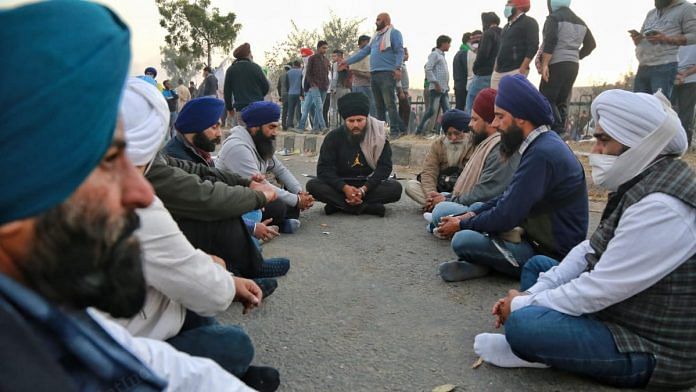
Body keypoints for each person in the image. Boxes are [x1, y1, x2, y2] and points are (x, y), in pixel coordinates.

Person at [0, 2, 258, 390]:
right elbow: (206, 203)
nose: (140, 191)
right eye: (107, 161)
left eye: (129, 158)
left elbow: (126, 351)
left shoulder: (40, 304)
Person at [474, 89, 695, 390]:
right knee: (539, 268)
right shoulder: (645, 180)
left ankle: (538, 346)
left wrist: (524, 307)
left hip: (651, 347)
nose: (596, 151)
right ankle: (547, 340)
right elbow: (590, 248)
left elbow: (599, 289)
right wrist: (531, 297)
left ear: (639, 145)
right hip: (618, 308)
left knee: (525, 326)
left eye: (604, 141)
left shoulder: (662, 207)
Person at [114, 77, 280, 391]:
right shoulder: (130, 199)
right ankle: (250, 271)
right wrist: (218, 273)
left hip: (130, 317)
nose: (219, 132)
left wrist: (257, 188)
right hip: (105, 359)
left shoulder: (149, 164)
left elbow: (205, 174)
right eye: (214, 126)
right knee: (234, 343)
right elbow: (205, 197)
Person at [437, 75, 588, 282]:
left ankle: (489, 264)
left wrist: (461, 225)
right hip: (533, 236)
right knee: (475, 213)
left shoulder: (542, 154)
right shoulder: (542, 144)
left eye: (500, 116)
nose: (495, 124)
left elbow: (506, 214)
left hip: (550, 255)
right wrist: (468, 216)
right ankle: (486, 262)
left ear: (520, 118)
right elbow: (508, 197)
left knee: (463, 240)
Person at [427, 89, 520, 230]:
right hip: (467, 199)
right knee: (437, 197)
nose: (469, 124)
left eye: (475, 119)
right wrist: (437, 196)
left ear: (490, 122)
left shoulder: (499, 149)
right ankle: (441, 216)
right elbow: (429, 170)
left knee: (442, 210)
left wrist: (446, 200)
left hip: (487, 206)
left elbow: (483, 194)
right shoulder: (483, 143)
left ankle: (442, 218)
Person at [218, 101, 314, 233]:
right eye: (272, 127)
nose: (276, 133)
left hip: (253, 195)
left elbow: (280, 170)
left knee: (288, 199)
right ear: (255, 127)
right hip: (232, 200)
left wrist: (298, 192)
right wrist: (297, 201)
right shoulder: (237, 147)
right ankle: (269, 227)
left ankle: (273, 224)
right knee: (278, 206)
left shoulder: (260, 142)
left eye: (276, 128)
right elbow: (261, 185)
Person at [306, 93, 402, 217]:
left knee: (395, 188)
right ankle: (365, 207)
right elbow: (324, 170)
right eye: (351, 121)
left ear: (366, 119)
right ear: (344, 121)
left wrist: (363, 189)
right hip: (341, 185)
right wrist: (345, 188)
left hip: (368, 185)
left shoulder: (377, 136)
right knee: (313, 186)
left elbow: (385, 168)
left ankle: (339, 205)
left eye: (360, 120)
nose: (356, 125)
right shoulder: (333, 137)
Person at [539, 0, 596, 134]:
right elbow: (591, 44)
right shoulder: (580, 21)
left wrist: (545, 63)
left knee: (546, 97)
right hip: (573, 65)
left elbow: (550, 41)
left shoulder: (553, 18)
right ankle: (563, 131)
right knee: (562, 100)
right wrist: (577, 55)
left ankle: (557, 129)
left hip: (556, 63)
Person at [343, 12, 405, 137]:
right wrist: (347, 61)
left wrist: (398, 68)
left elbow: (399, 51)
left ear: (386, 21)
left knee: (390, 104)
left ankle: (395, 131)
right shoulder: (375, 37)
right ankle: (380, 132)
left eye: (378, 20)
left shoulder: (394, 33)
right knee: (379, 106)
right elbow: (364, 52)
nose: (375, 22)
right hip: (374, 74)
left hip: (387, 73)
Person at [405, 109, 474, 208]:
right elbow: (429, 171)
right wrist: (431, 195)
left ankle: (443, 206)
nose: (453, 138)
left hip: (462, 191)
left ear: (466, 131)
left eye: (457, 133)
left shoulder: (474, 145)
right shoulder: (438, 144)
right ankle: (436, 204)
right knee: (411, 186)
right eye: (449, 134)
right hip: (440, 189)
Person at [631, 0, 696, 99]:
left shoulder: (687, 8)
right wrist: (637, 40)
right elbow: (642, 37)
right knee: (639, 106)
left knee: (660, 106)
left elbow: (694, 36)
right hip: (643, 66)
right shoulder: (651, 13)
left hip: (665, 66)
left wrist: (666, 39)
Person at [492, 0, 540, 89]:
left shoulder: (529, 22)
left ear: (518, 5)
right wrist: (495, 68)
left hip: (515, 69)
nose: (506, 5)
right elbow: (500, 49)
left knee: (511, 101)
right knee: (495, 101)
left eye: (509, 3)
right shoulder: (506, 27)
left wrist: (522, 69)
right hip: (498, 72)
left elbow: (533, 46)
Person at [224, 42, 271, 122]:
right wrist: (258, 96)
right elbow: (266, 86)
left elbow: (227, 91)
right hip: (257, 107)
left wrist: (229, 108)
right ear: (248, 54)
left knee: (243, 132)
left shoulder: (231, 70)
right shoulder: (256, 67)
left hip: (241, 108)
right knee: (256, 132)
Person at [466, 12, 502, 114]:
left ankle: (470, 127)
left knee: (471, 102)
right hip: (497, 73)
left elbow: (483, 54)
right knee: (490, 103)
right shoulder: (504, 33)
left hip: (483, 73)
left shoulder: (488, 33)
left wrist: (475, 67)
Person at [417, 35, 453, 135]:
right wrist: (436, 83)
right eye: (448, 43)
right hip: (436, 89)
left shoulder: (441, 56)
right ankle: (420, 131)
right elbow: (428, 69)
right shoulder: (435, 54)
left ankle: (447, 132)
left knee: (447, 111)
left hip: (443, 89)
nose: (449, 46)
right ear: (443, 43)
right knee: (432, 111)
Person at [298, 40, 331, 133]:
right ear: (318, 48)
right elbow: (308, 74)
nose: (325, 50)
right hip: (314, 86)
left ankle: (315, 128)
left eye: (326, 48)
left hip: (324, 86)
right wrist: (312, 84)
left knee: (318, 108)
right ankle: (323, 127)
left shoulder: (326, 60)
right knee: (319, 107)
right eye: (323, 48)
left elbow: (327, 73)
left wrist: (327, 83)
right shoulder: (312, 59)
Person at [673, 39, 696, 147]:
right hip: (671, 77)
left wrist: (685, 74)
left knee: (686, 114)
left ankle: (685, 143)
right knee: (668, 111)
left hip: (691, 79)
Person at [350, 35, 377, 116]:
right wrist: (367, 75)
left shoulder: (370, 54)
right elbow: (353, 70)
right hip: (359, 86)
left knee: (372, 107)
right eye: (368, 42)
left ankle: (372, 126)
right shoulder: (356, 54)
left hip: (369, 85)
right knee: (361, 108)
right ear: (362, 42)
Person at [329, 49, 352, 128]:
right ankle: (344, 126)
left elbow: (335, 77)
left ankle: (333, 127)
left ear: (340, 56)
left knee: (334, 108)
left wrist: (332, 89)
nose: (333, 58)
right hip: (348, 89)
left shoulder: (336, 64)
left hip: (339, 88)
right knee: (345, 108)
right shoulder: (348, 63)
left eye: (334, 56)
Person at [453, 33, 473, 111]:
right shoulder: (466, 53)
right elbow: (469, 69)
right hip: (464, 86)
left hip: (458, 85)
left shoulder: (458, 53)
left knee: (459, 108)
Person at [397, 47, 411, 132]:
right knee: (407, 109)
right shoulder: (400, 65)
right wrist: (401, 91)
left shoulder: (403, 64)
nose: (407, 55)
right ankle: (403, 128)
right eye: (406, 53)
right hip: (401, 91)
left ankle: (401, 129)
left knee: (402, 110)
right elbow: (398, 80)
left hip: (404, 90)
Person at [286, 60, 303, 129]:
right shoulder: (301, 72)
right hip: (299, 93)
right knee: (299, 110)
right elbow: (302, 84)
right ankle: (300, 125)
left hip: (290, 93)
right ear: (299, 65)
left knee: (290, 110)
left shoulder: (288, 72)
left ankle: (289, 124)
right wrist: (302, 94)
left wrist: (288, 91)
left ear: (293, 65)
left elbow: (287, 84)